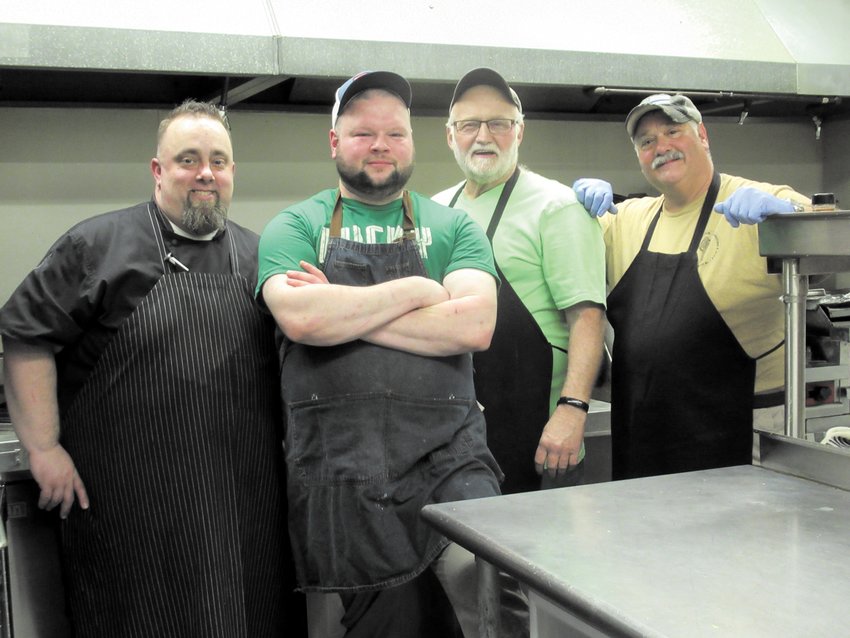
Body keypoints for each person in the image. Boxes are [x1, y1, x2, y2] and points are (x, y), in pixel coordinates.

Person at [0, 100, 305, 637]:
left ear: (233, 172)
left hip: (244, 510)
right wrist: (44, 449)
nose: (205, 172)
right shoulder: (98, 247)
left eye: (219, 160)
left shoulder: (261, 258)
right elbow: (25, 337)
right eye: (188, 159)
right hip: (129, 510)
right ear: (158, 171)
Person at [257, 71, 528, 637]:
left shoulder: (454, 227)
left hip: (451, 458)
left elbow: (474, 324)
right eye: (362, 134)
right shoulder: (296, 225)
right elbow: (303, 318)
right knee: (388, 627)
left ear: (412, 141)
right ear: (334, 142)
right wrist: (418, 292)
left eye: (395, 134)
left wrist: (346, 314)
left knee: (492, 596)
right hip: (345, 470)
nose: (380, 145)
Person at [572, 93, 811, 480]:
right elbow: (561, 250)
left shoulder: (757, 203)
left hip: (741, 435)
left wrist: (791, 219)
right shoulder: (628, 218)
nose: (661, 147)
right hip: (645, 436)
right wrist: (569, 208)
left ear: (702, 135)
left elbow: (832, 239)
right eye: (646, 142)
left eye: (672, 131)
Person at [433, 68, 606, 494]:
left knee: (538, 558)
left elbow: (587, 317)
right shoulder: (437, 209)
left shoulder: (558, 206)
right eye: (469, 124)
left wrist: (572, 410)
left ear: (520, 132)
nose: (483, 136)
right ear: (450, 135)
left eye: (499, 124)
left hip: (540, 435)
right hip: (456, 436)